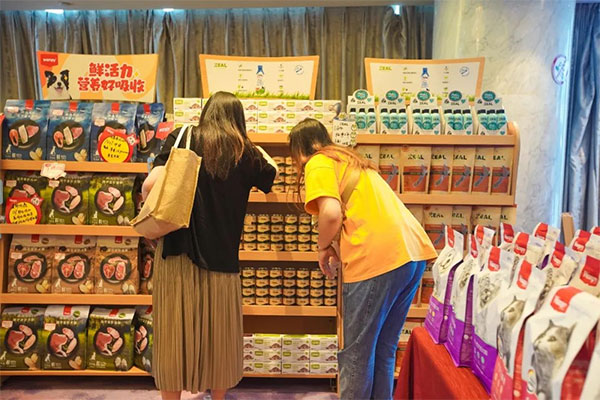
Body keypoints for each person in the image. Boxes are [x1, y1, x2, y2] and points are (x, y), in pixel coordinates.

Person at [142, 91, 278, 400]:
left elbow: (150, 183)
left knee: (174, 336)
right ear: (239, 120)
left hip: (176, 251)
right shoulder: (245, 152)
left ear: (206, 113)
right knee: (220, 338)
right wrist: (249, 141)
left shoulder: (183, 137)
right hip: (222, 259)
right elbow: (272, 173)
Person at [289, 118, 437, 400]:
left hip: (376, 258)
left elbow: (330, 213)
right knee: (383, 349)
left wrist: (322, 247)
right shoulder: (351, 161)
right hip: (412, 254)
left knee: (356, 353)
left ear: (299, 150)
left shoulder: (318, 161)